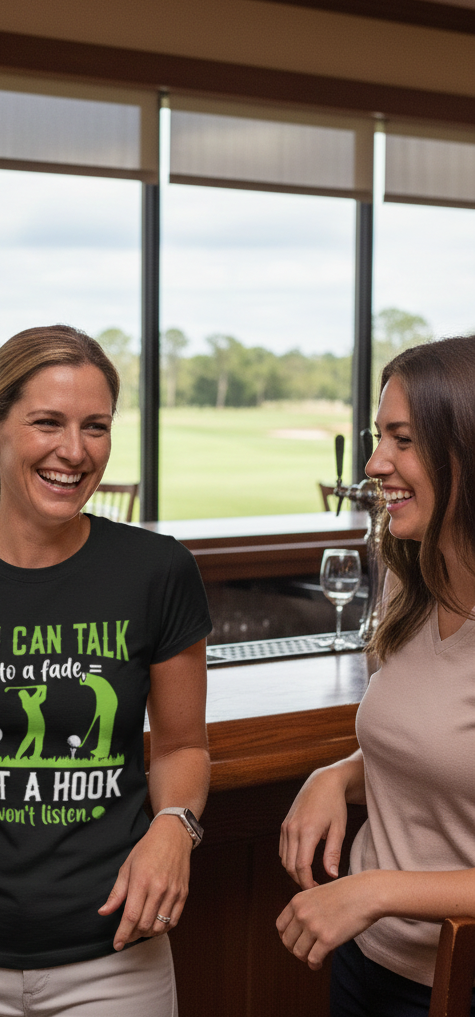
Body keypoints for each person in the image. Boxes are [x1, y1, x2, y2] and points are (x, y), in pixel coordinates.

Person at [0, 324, 212, 1016]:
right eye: (48, 423)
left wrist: (174, 826)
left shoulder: (158, 569)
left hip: (118, 946)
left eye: (96, 427)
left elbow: (181, 746)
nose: (75, 452)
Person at [277, 334, 475, 1016]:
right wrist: (335, 773)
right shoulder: (409, 574)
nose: (373, 462)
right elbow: (435, 743)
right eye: (376, 436)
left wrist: (374, 888)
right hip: (369, 960)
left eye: (402, 440)